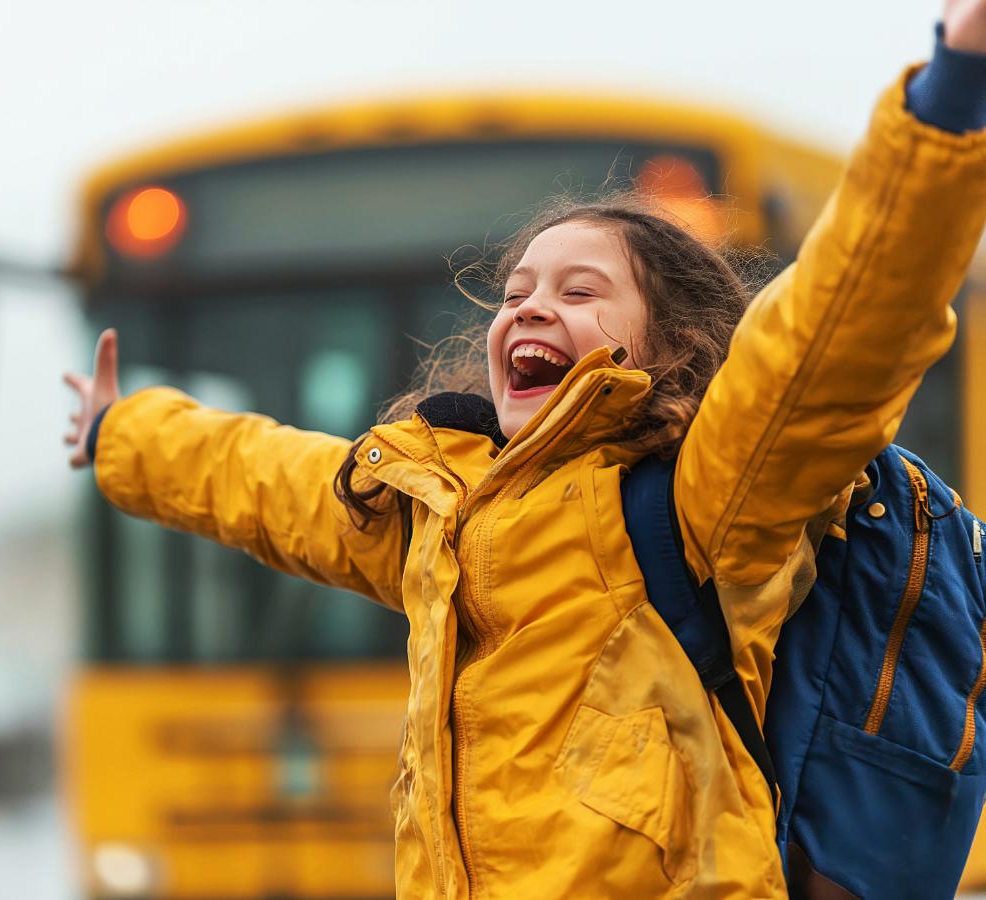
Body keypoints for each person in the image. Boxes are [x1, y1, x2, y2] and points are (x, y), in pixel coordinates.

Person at [63, 4, 986, 895]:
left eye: (581, 292)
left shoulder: (704, 501)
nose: (530, 307)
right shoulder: (434, 516)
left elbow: (841, 329)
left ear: (676, 352)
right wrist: (123, 434)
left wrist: (950, 99)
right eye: (515, 292)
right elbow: (268, 482)